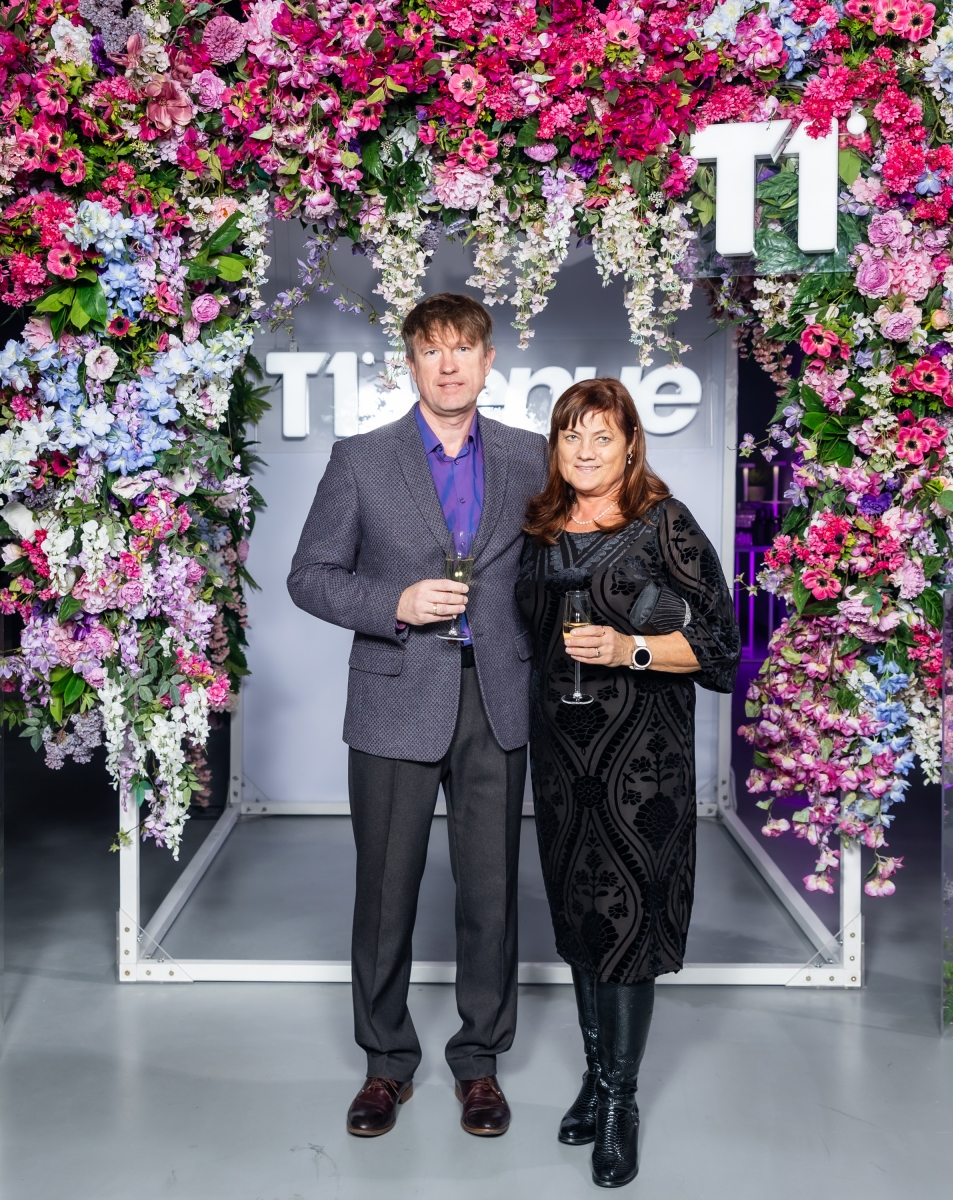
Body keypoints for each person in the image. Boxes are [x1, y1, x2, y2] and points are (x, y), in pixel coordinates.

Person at [287, 293, 548, 1140]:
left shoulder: (531, 457)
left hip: (497, 698)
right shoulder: (361, 460)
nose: (448, 363)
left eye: (463, 348)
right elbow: (310, 576)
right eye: (431, 350)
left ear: (488, 360)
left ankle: (480, 1063)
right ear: (410, 364)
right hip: (395, 696)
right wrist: (393, 602)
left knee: (492, 893)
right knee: (385, 891)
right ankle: (385, 1065)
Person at [516, 378, 740, 1188]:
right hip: (563, 764)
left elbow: (721, 647)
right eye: (570, 435)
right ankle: (594, 1073)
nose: (584, 451)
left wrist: (632, 649)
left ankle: (620, 1101)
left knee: (627, 922)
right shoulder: (541, 530)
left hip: (642, 768)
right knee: (582, 917)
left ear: (631, 444)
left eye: (601, 436)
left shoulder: (663, 523)